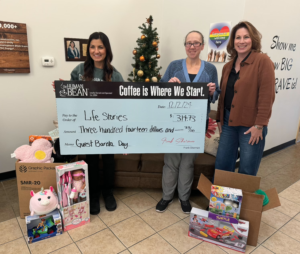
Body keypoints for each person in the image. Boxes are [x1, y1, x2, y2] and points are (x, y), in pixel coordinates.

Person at [52, 32, 124, 215]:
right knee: (90, 160)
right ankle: (93, 194)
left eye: (100, 47)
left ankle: (108, 193)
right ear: (88, 49)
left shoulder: (115, 75)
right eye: (93, 47)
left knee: (108, 161)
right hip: (87, 126)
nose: (96, 51)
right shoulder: (79, 71)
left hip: (108, 127)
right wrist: (63, 89)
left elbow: (122, 103)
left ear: (106, 49)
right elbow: (73, 99)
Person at [156, 31, 220, 214]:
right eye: (189, 43)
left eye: (196, 43)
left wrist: (212, 92)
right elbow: (161, 88)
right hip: (174, 123)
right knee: (171, 161)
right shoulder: (174, 66)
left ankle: (184, 198)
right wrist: (168, 85)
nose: (192, 46)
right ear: (185, 45)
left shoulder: (210, 70)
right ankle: (167, 196)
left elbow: (215, 95)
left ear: (202, 46)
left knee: (187, 164)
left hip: (196, 125)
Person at [215, 21, 275, 176]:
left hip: (251, 125)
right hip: (228, 123)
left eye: (246, 37)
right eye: (238, 37)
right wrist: (219, 120)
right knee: (222, 166)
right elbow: (224, 96)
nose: (241, 41)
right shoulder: (227, 66)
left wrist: (260, 125)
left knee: (247, 170)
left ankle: (244, 201)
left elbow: (267, 97)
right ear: (233, 41)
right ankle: (223, 201)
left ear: (253, 39)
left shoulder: (262, 61)